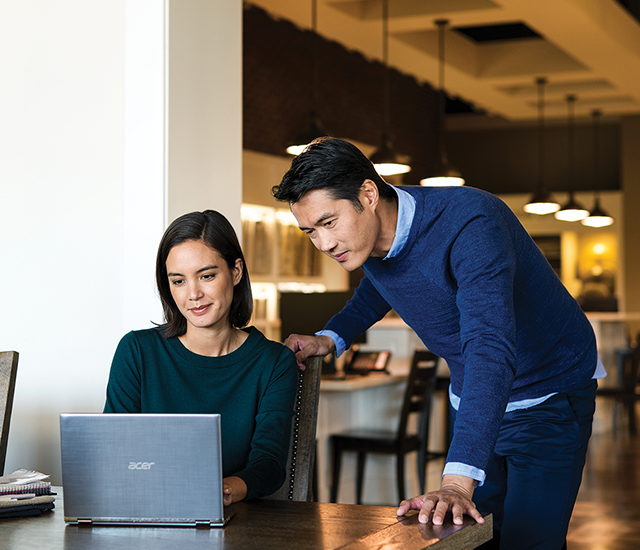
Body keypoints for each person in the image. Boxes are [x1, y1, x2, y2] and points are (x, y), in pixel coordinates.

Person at [271, 137, 604, 550]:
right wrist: (331, 338)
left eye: (328, 222)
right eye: (309, 232)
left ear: (368, 195)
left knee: (527, 541)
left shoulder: (471, 222)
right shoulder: (373, 240)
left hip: (547, 389)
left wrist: (456, 484)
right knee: (476, 538)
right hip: (475, 400)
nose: (323, 244)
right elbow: (378, 287)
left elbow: (490, 346)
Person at [104, 210, 298, 505]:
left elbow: (269, 465)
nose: (193, 294)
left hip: (234, 521)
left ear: (236, 272)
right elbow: (114, 452)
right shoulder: (137, 351)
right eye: (178, 281)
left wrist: (220, 491)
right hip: (146, 511)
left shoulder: (273, 362)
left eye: (206, 276)